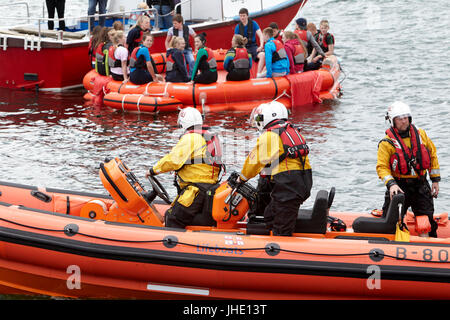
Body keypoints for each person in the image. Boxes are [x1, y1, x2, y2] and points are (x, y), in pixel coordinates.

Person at [238, 101, 312, 236]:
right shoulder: (293, 131)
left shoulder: (270, 136)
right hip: (302, 180)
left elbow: (253, 162)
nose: (258, 121)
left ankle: (282, 247)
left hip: (288, 184)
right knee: (270, 215)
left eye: (259, 118)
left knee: (282, 227)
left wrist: (241, 178)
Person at [146, 107, 223, 229]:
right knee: (191, 219)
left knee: (172, 218)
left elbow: (173, 160)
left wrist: (152, 170)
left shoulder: (191, 138)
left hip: (195, 190)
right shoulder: (208, 136)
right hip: (209, 188)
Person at [377, 101, 441, 237]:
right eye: (399, 119)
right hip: (399, 187)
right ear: (392, 121)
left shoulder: (421, 135)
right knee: (391, 220)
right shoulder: (386, 143)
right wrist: (391, 184)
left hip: (420, 184)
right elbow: (382, 168)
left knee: (427, 219)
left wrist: (435, 180)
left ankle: (429, 245)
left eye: (406, 118)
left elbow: (432, 155)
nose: (403, 122)